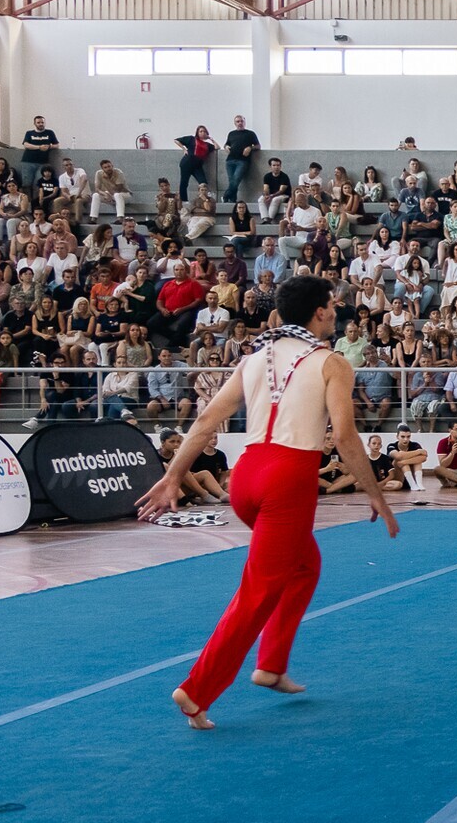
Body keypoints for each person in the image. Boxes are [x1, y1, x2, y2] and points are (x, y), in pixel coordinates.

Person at [138, 275, 398, 730]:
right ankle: (197, 690)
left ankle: (271, 665)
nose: (336, 311)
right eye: (332, 305)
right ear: (319, 312)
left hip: (247, 475)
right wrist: (377, 495)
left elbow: (205, 419)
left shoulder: (255, 357)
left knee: (304, 566)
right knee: (256, 593)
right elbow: (344, 436)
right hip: (287, 480)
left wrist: (173, 475)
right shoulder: (332, 362)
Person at [222, 114, 260, 201]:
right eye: (238, 121)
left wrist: (250, 148)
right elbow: (226, 144)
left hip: (243, 161)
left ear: (245, 122)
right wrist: (226, 147)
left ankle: (225, 196)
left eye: (241, 121)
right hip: (230, 160)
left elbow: (258, 146)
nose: (240, 123)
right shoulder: (231, 133)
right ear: (235, 123)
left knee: (235, 180)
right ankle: (232, 200)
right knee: (232, 181)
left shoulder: (250, 133)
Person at [174, 124, 215, 201]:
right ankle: (184, 201)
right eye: (200, 131)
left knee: (203, 182)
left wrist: (211, 139)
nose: (202, 133)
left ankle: (204, 200)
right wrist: (184, 149)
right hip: (187, 163)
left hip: (197, 166)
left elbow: (217, 147)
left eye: (204, 131)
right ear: (197, 133)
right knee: (184, 183)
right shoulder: (191, 139)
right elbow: (176, 140)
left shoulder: (207, 145)